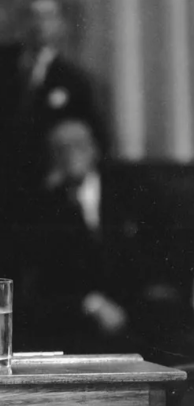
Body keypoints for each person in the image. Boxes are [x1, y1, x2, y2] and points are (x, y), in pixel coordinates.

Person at [0, 0, 108, 279]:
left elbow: (94, 143)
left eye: (48, 16)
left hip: (37, 204)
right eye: (32, 15)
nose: (39, 24)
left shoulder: (75, 82)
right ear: (20, 22)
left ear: (63, 24)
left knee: (27, 287)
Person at [16, 117, 194, 360]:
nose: (71, 154)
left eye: (78, 145)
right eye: (61, 149)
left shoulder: (129, 189)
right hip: (84, 309)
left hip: (137, 301)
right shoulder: (47, 206)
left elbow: (161, 248)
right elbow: (46, 280)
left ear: (94, 148)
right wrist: (92, 303)